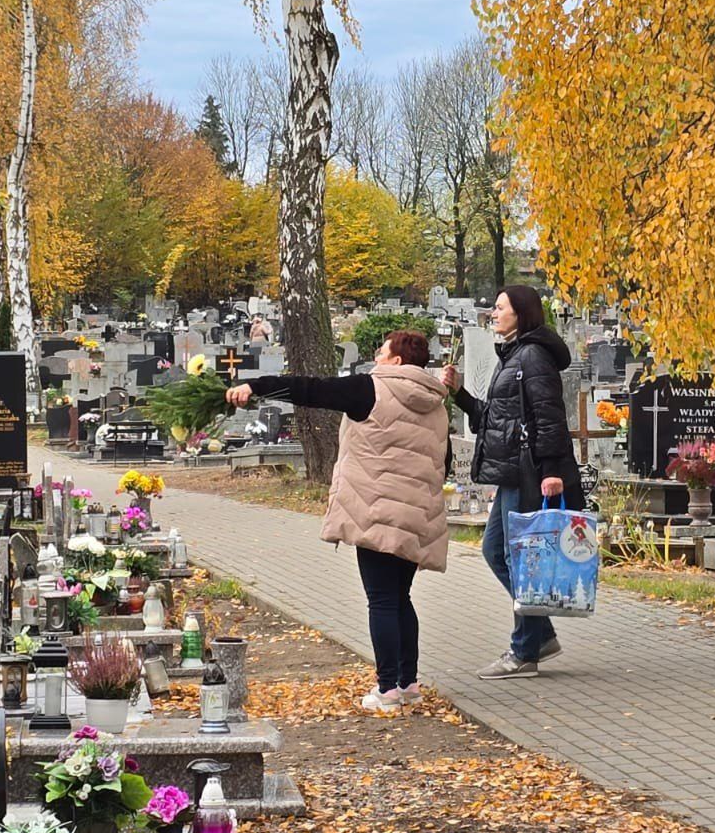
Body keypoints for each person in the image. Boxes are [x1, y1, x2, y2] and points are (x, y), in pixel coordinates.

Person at [226, 330, 449, 714]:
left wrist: (255, 386)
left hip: (376, 510)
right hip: (414, 514)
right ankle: (408, 683)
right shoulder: (435, 402)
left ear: (396, 361)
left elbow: (309, 389)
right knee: (400, 598)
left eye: (381, 351)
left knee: (380, 599)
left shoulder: (371, 389)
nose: (375, 357)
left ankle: (387, 690)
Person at [442, 285, 584, 680]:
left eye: (500, 308)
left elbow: (549, 415)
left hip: (530, 472)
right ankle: (540, 634)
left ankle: (524, 651)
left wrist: (552, 470)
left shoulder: (533, 356)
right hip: (511, 471)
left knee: (521, 560)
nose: (494, 314)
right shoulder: (516, 354)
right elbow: (499, 416)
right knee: (495, 550)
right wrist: (460, 395)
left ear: (521, 312)